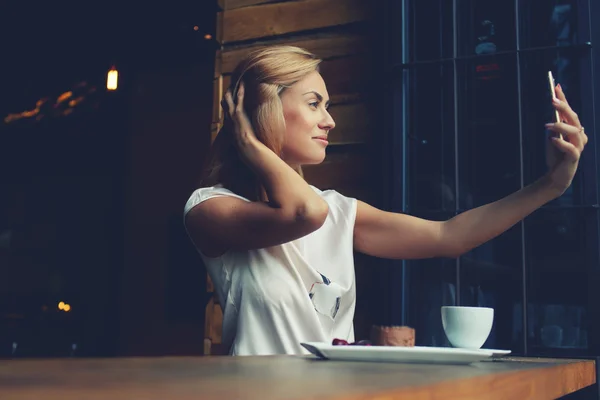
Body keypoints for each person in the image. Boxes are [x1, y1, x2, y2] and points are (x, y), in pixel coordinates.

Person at [183, 45, 588, 356]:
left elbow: (449, 236)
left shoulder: (339, 212)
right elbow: (304, 213)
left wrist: (550, 184)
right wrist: (251, 145)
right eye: (314, 104)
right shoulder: (210, 208)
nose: (330, 120)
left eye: (329, 106)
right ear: (265, 109)